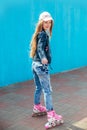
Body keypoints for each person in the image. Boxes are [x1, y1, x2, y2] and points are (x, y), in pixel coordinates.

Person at [30, 11, 63, 129]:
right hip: (41, 66)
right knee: (47, 91)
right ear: (41, 23)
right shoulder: (43, 35)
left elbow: (37, 48)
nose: (48, 24)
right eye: (45, 22)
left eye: (49, 22)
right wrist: (44, 57)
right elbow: (40, 48)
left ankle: (37, 106)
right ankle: (51, 116)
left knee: (38, 87)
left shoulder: (38, 33)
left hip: (34, 64)